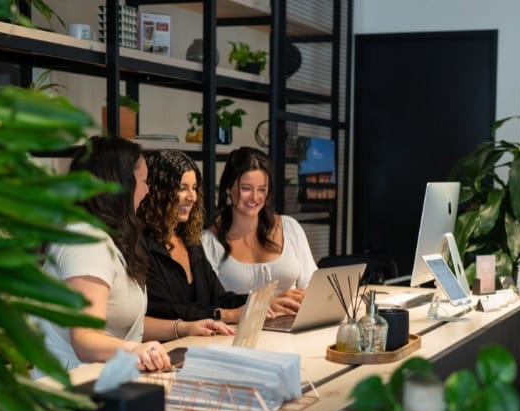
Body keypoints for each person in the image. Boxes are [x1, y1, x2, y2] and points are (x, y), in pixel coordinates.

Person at [36, 136, 171, 373]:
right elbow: (85, 338)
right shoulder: (87, 242)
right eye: (144, 182)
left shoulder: (106, 237)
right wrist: (135, 350)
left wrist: (184, 328)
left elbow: (122, 322)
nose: (147, 190)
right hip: (74, 386)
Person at [137, 150, 241, 340]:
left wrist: (258, 302)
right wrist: (225, 315)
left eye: (194, 188)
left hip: (201, 346)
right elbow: (165, 309)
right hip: (162, 350)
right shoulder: (140, 243)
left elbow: (219, 298)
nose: (192, 197)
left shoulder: (190, 240)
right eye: (182, 188)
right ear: (157, 191)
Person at [202, 147, 316, 315]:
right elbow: (207, 306)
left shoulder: (290, 228)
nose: (255, 198)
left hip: (293, 326)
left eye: (262, 189)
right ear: (228, 188)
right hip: (238, 330)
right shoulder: (208, 242)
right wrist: (265, 303)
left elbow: (312, 285)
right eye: (246, 188)